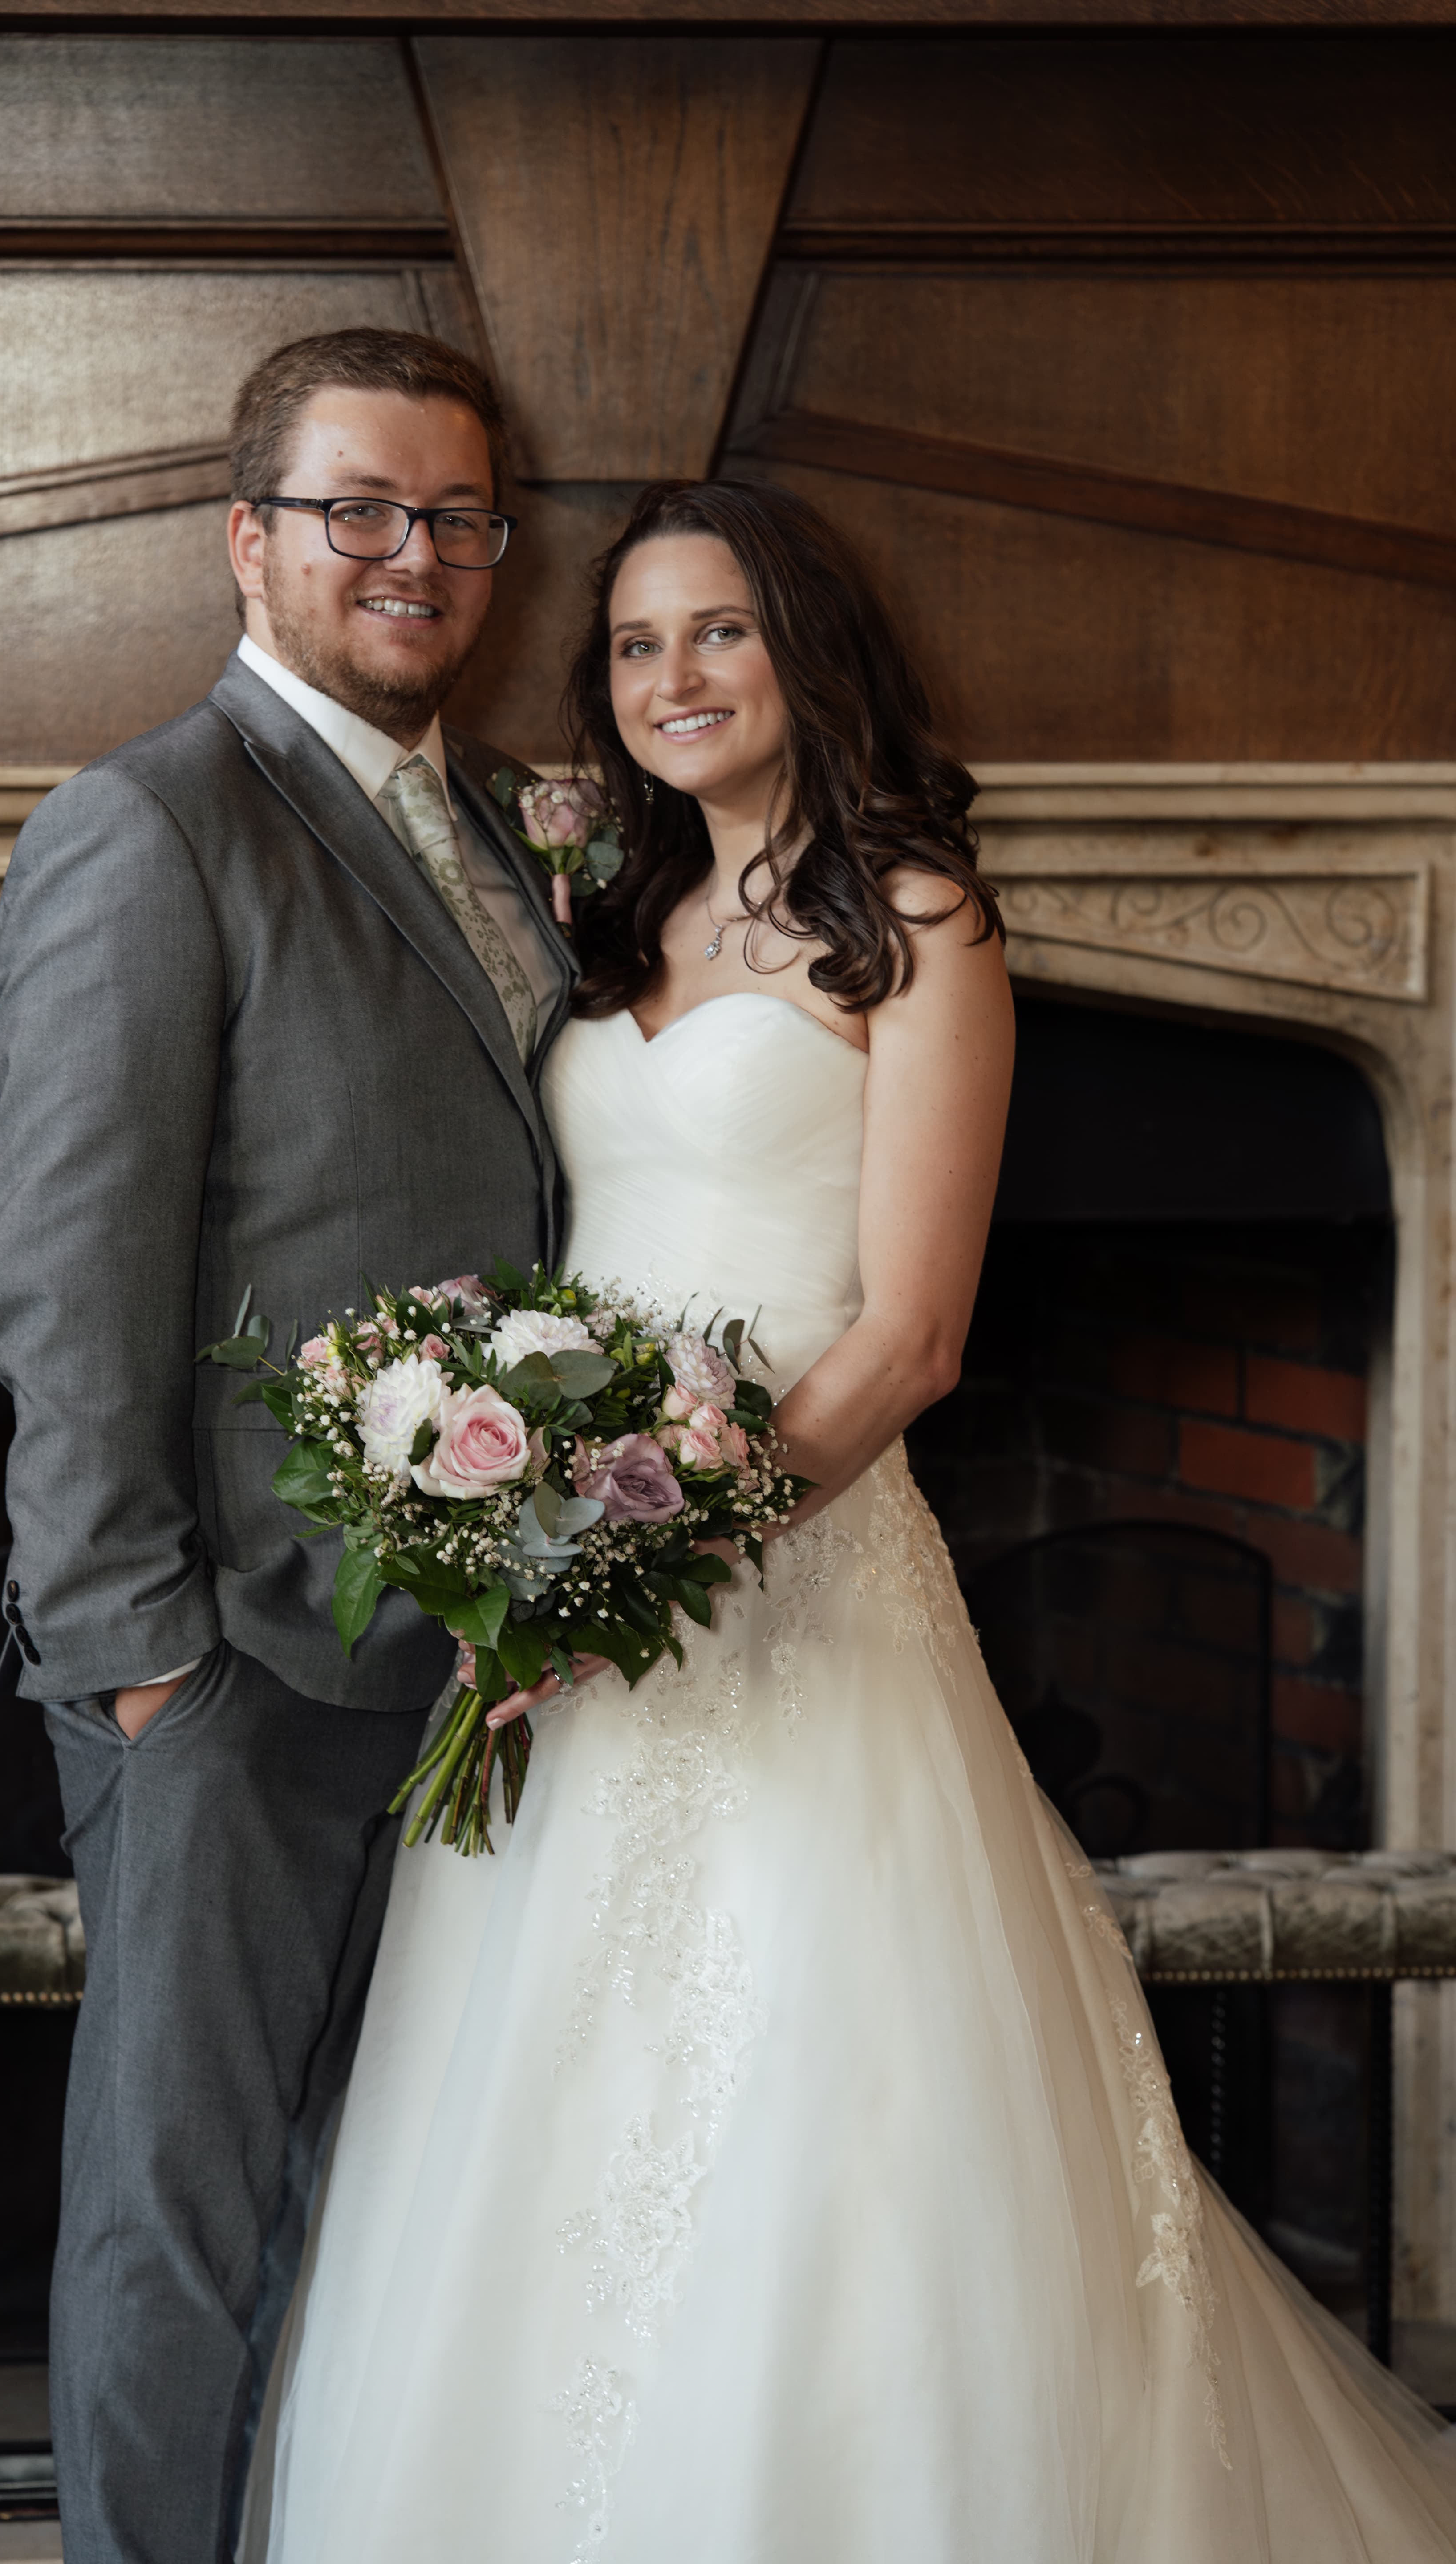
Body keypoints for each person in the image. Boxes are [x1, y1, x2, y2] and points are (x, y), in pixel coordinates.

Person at [246, 479, 1456, 2561]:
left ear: (804, 650)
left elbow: (910, 1338)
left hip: (787, 1576)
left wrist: (648, 1560)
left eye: (718, 631)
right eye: (637, 644)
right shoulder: (609, 915)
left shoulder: (918, 921)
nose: (673, 678)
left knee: (819, 2085)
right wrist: (522, 1536)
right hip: (571, 1592)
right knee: (538, 2096)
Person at [0, 326, 576, 2564]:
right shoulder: (146, 826)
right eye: (360, 510)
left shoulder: (507, 824)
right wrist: (146, 1662)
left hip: (468, 1654)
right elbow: (66, 1276)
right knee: (185, 2217)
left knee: (390, 2202)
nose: (414, 556)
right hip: (234, 1657)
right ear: (250, 539)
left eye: (458, 517)